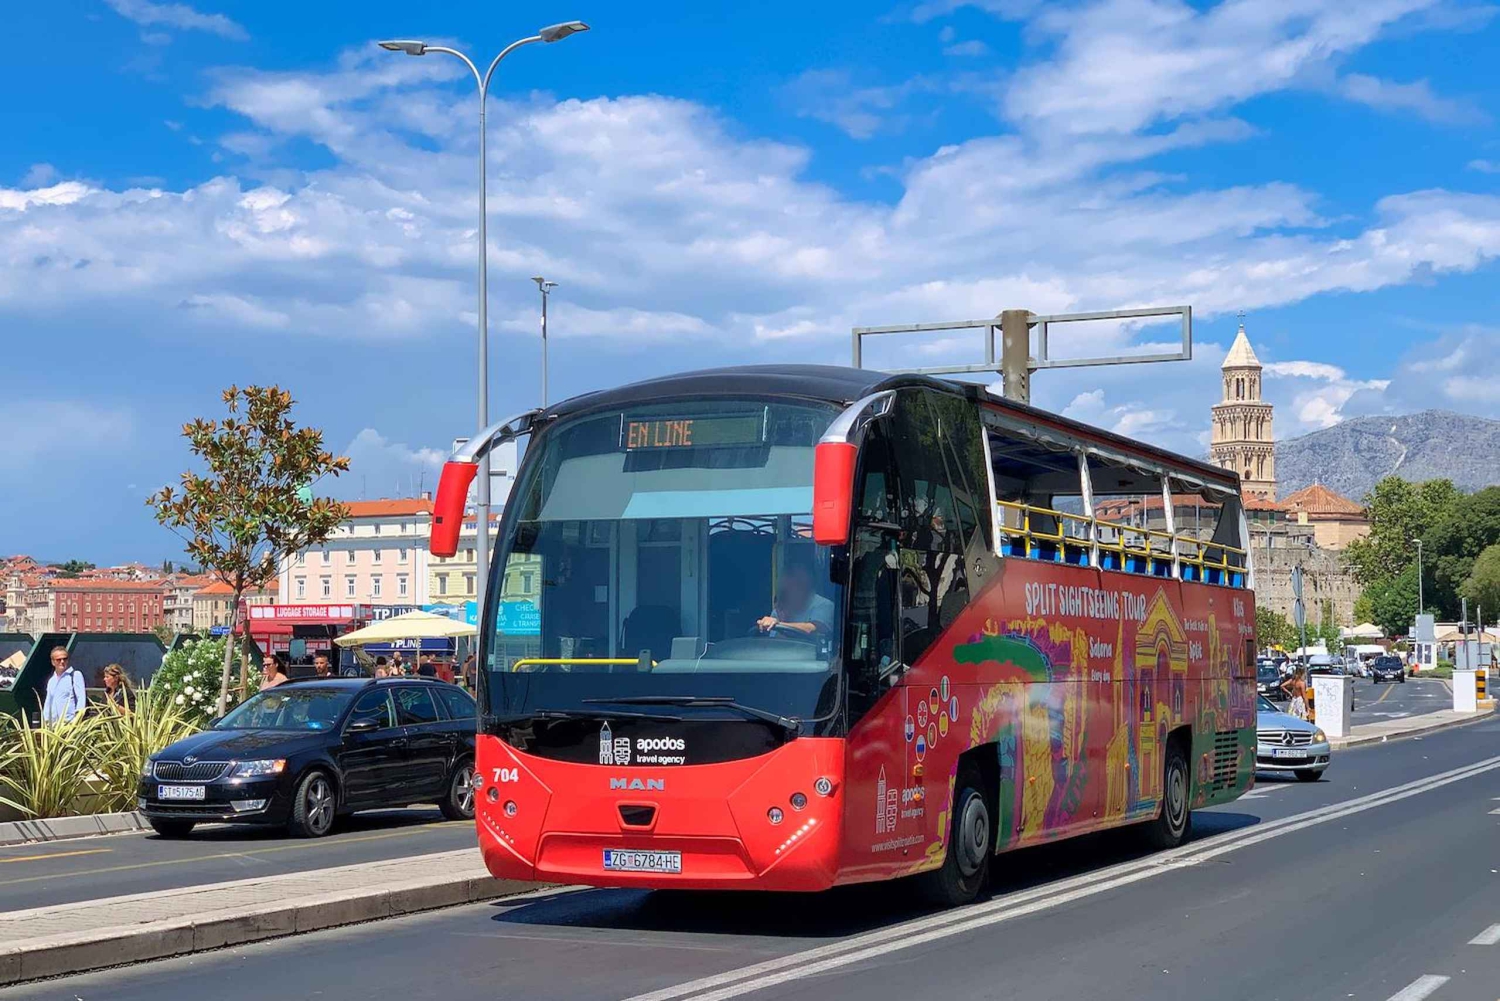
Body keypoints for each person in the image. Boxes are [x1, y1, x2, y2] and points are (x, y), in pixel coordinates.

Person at [756, 559, 834, 637]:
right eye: (790, 580)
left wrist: (779, 624)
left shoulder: (825, 605)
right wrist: (782, 619)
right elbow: (776, 642)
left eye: (799, 581)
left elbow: (811, 629)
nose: (793, 585)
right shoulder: (780, 609)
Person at [42, 645, 87, 725]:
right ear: (53, 662)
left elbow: (81, 698)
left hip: (69, 725)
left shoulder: (75, 675)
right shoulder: (51, 680)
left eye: (65, 659)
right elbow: (48, 702)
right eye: (58, 660)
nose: (62, 662)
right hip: (53, 726)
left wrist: (76, 721)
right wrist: (46, 721)